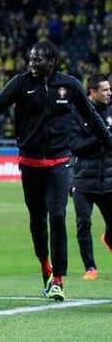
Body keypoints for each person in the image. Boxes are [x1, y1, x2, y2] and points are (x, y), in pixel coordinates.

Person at [0, 41, 112, 301]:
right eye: (30, 59)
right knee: (38, 221)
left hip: (58, 165)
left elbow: (93, 119)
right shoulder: (20, 84)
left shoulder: (70, 86)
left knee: (57, 217)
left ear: (52, 61)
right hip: (30, 166)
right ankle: (44, 265)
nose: (32, 64)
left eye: (37, 59)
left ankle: (59, 280)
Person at [69, 73, 112, 281]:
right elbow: (76, 147)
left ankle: (108, 239)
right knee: (83, 223)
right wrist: (102, 137)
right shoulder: (77, 114)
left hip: (109, 180)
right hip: (83, 180)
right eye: (105, 90)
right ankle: (90, 267)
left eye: (109, 89)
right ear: (93, 92)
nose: (109, 93)